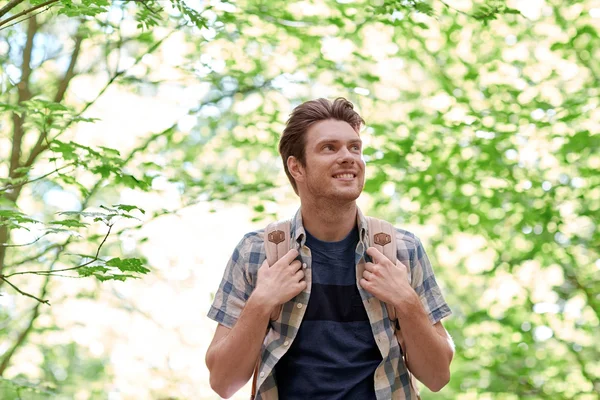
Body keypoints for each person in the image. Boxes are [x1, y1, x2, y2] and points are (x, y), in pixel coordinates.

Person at [205, 98, 454, 399]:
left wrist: (407, 301)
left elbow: (438, 376)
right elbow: (223, 382)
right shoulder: (255, 252)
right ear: (296, 167)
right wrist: (260, 303)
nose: (349, 157)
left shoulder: (402, 249)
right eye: (329, 148)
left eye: (355, 147)